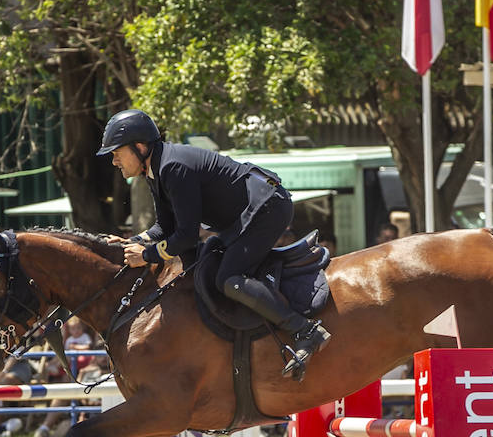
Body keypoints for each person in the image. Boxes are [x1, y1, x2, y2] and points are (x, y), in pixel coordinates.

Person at [98, 108, 329, 380]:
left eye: (116, 153)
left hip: (267, 209)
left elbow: (185, 236)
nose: (114, 161)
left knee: (228, 278)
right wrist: (132, 242)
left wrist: (147, 255)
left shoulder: (173, 167)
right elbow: (164, 227)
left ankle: (305, 330)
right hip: (247, 216)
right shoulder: (156, 170)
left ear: (139, 147)